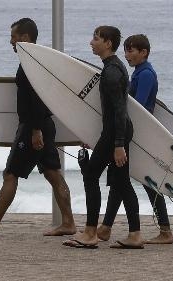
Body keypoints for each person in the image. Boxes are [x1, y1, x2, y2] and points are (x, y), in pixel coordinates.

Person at [0, 18, 76, 236]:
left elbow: (37, 97)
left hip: (33, 127)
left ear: (25, 38)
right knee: (53, 174)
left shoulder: (30, 63)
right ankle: (68, 222)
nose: (11, 41)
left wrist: (35, 131)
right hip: (45, 124)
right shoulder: (39, 60)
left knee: (11, 174)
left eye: (13, 37)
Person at [64, 26, 142, 249]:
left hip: (115, 133)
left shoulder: (112, 72)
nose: (91, 42)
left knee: (90, 176)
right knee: (121, 182)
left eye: (96, 38)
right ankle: (135, 234)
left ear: (108, 43)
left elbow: (118, 110)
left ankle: (90, 232)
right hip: (116, 131)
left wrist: (118, 145)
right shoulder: (113, 67)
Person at [98, 34, 172, 245]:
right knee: (120, 179)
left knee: (144, 181)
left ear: (143, 52)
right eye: (126, 51)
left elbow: (137, 107)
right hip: (134, 132)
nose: (127, 55)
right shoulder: (139, 73)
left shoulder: (146, 74)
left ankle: (165, 231)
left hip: (138, 133)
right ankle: (105, 227)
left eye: (131, 51)